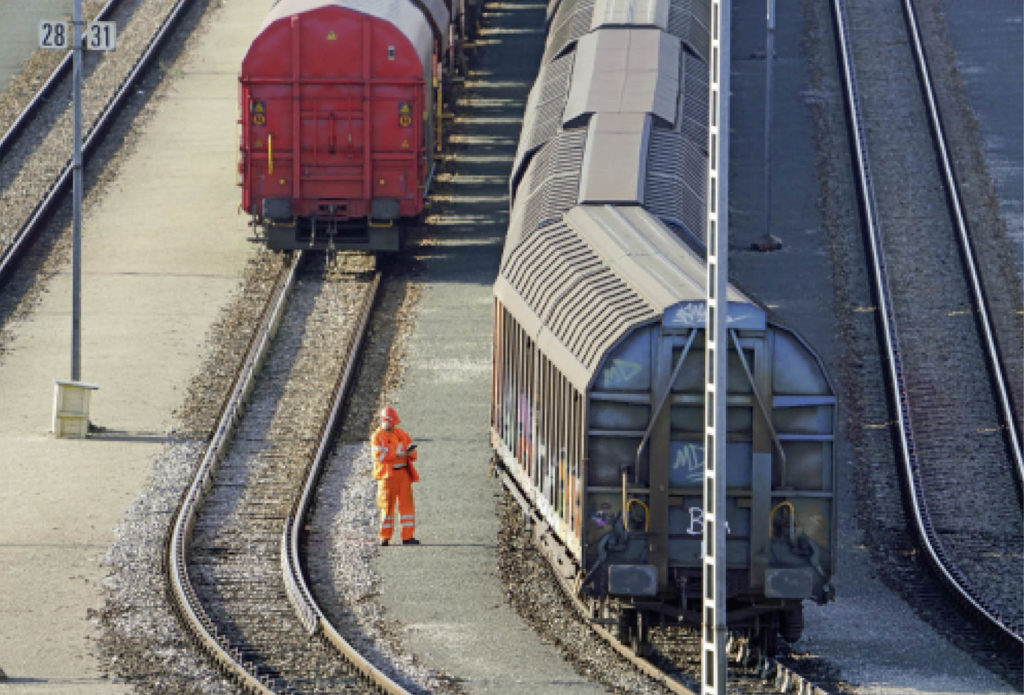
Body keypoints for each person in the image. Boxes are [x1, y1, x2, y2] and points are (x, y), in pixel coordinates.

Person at [371, 406, 420, 546]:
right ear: (383, 420)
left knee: (407, 506)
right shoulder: (377, 437)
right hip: (388, 476)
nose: (393, 425)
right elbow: (379, 455)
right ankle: (384, 537)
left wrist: (410, 453)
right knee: (387, 506)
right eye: (390, 422)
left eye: (394, 423)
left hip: (403, 473)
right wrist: (397, 455)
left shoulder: (401, 434)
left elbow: (413, 452)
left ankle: (407, 537)